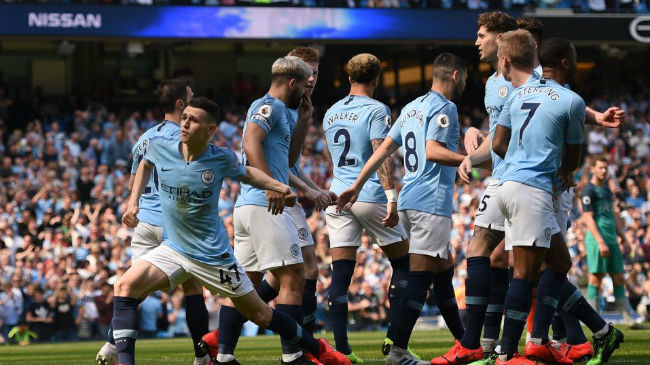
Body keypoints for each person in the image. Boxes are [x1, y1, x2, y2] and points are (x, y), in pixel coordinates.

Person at [114, 96, 350, 365]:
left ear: (210, 129)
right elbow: (145, 163)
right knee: (125, 285)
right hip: (173, 247)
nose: (185, 123)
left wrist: (278, 186)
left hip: (213, 256)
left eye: (193, 120)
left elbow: (249, 174)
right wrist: (133, 202)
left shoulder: (220, 158)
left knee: (260, 314)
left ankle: (317, 348)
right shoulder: (159, 146)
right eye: (185, 117)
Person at [490, 31, 623, 365]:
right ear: (566, 63)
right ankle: (509, 352)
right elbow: (574, 159)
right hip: (533, 190)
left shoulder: (517, 94)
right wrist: (557, 174)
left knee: (559, 262)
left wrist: (521, 162)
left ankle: (602, 333)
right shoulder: (572, 100)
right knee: (524, 272)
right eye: (576, 57)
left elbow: (497, 144)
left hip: (508, 185)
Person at [200, 47, 335, 363]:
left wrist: (303, 118)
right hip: (268, 203)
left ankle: (223, 354)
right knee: (294, 276)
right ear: (292, 82)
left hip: (251, 204)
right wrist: (271, 186)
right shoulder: (269, 106)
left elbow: (288, 160)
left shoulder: (282, 108)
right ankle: (294, 354)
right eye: (305, 79)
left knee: (247, 284)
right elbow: (249, 142)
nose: (309, 83)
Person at [336, 52, 469, 365]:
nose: (464, 82)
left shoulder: (411, 109)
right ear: (454, 76)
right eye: (463, 77)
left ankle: (465, 342)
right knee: (420, 278)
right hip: (430, 201)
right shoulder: (444, 107)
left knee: (443, 272)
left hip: (409, 200)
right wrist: (467, 159)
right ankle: (397, 350)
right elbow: (433, 150)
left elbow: (382, 150)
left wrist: (356, 184)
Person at [96, 79, 212, 365]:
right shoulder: (184, 136)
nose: (195, 101)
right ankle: (201, 357)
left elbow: (136, 176)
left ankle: (113, 346)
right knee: (193, 288)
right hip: (173, 222)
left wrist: (131, 204)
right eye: (191, 97)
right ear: (180, 104)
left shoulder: (143, 138)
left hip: (144, 222)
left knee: (133, 289)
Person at [321, 53, 410, 364]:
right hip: (368, 194)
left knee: (340, 275)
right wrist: (391, 196)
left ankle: (342, 351)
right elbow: (380, 153)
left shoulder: (330, 112)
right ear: (376, 79)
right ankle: (395, 341)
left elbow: (333, 158)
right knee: (405, 265)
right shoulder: (377, 109)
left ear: (349, 78)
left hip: (336, 195)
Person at [581, 156, 639, 324]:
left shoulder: (606, 190)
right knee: (596, 278)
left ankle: (629, 319)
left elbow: (612, 215)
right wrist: (600, 241)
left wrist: (624, 237)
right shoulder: (588, 191)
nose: (604, 171)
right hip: (597, 239)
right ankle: (591, 319)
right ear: (592, 169)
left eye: (606, 168)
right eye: (600, 167)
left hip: (611, 238)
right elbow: (587, 218)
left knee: (619, 277)